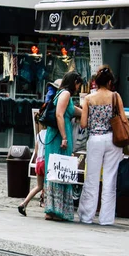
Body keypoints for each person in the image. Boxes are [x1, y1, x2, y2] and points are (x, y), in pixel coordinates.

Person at [78, 66, 129, 225]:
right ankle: (106, 219)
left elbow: (83, 124)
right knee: (110, 179)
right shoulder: (116, 97)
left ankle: (87, 216)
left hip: (95, 139)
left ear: (96, 82)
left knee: (92, 178)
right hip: (113, 140)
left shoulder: (89, 99)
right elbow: (124, 120)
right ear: (110, 82)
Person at [43, 71, 83, 221]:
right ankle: (55, 210)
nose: (79, 87)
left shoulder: (63, 94)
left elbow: (70, 111)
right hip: (59, 137)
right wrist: (65, 138)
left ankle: (52, 209)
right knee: (59, 169)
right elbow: (60, 114)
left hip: (57, 135)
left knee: (55, 170)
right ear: (74, 82)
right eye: (79, 84)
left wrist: (87, 109)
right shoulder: (65, 94)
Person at [18, 126, 47, 216]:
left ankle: (24, 203)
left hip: (39, 162)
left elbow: (36, 150)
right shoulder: (51, 134)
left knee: (39, 186)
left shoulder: (39, 134)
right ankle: (48, 206)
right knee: (49, 186)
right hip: (46, 161)